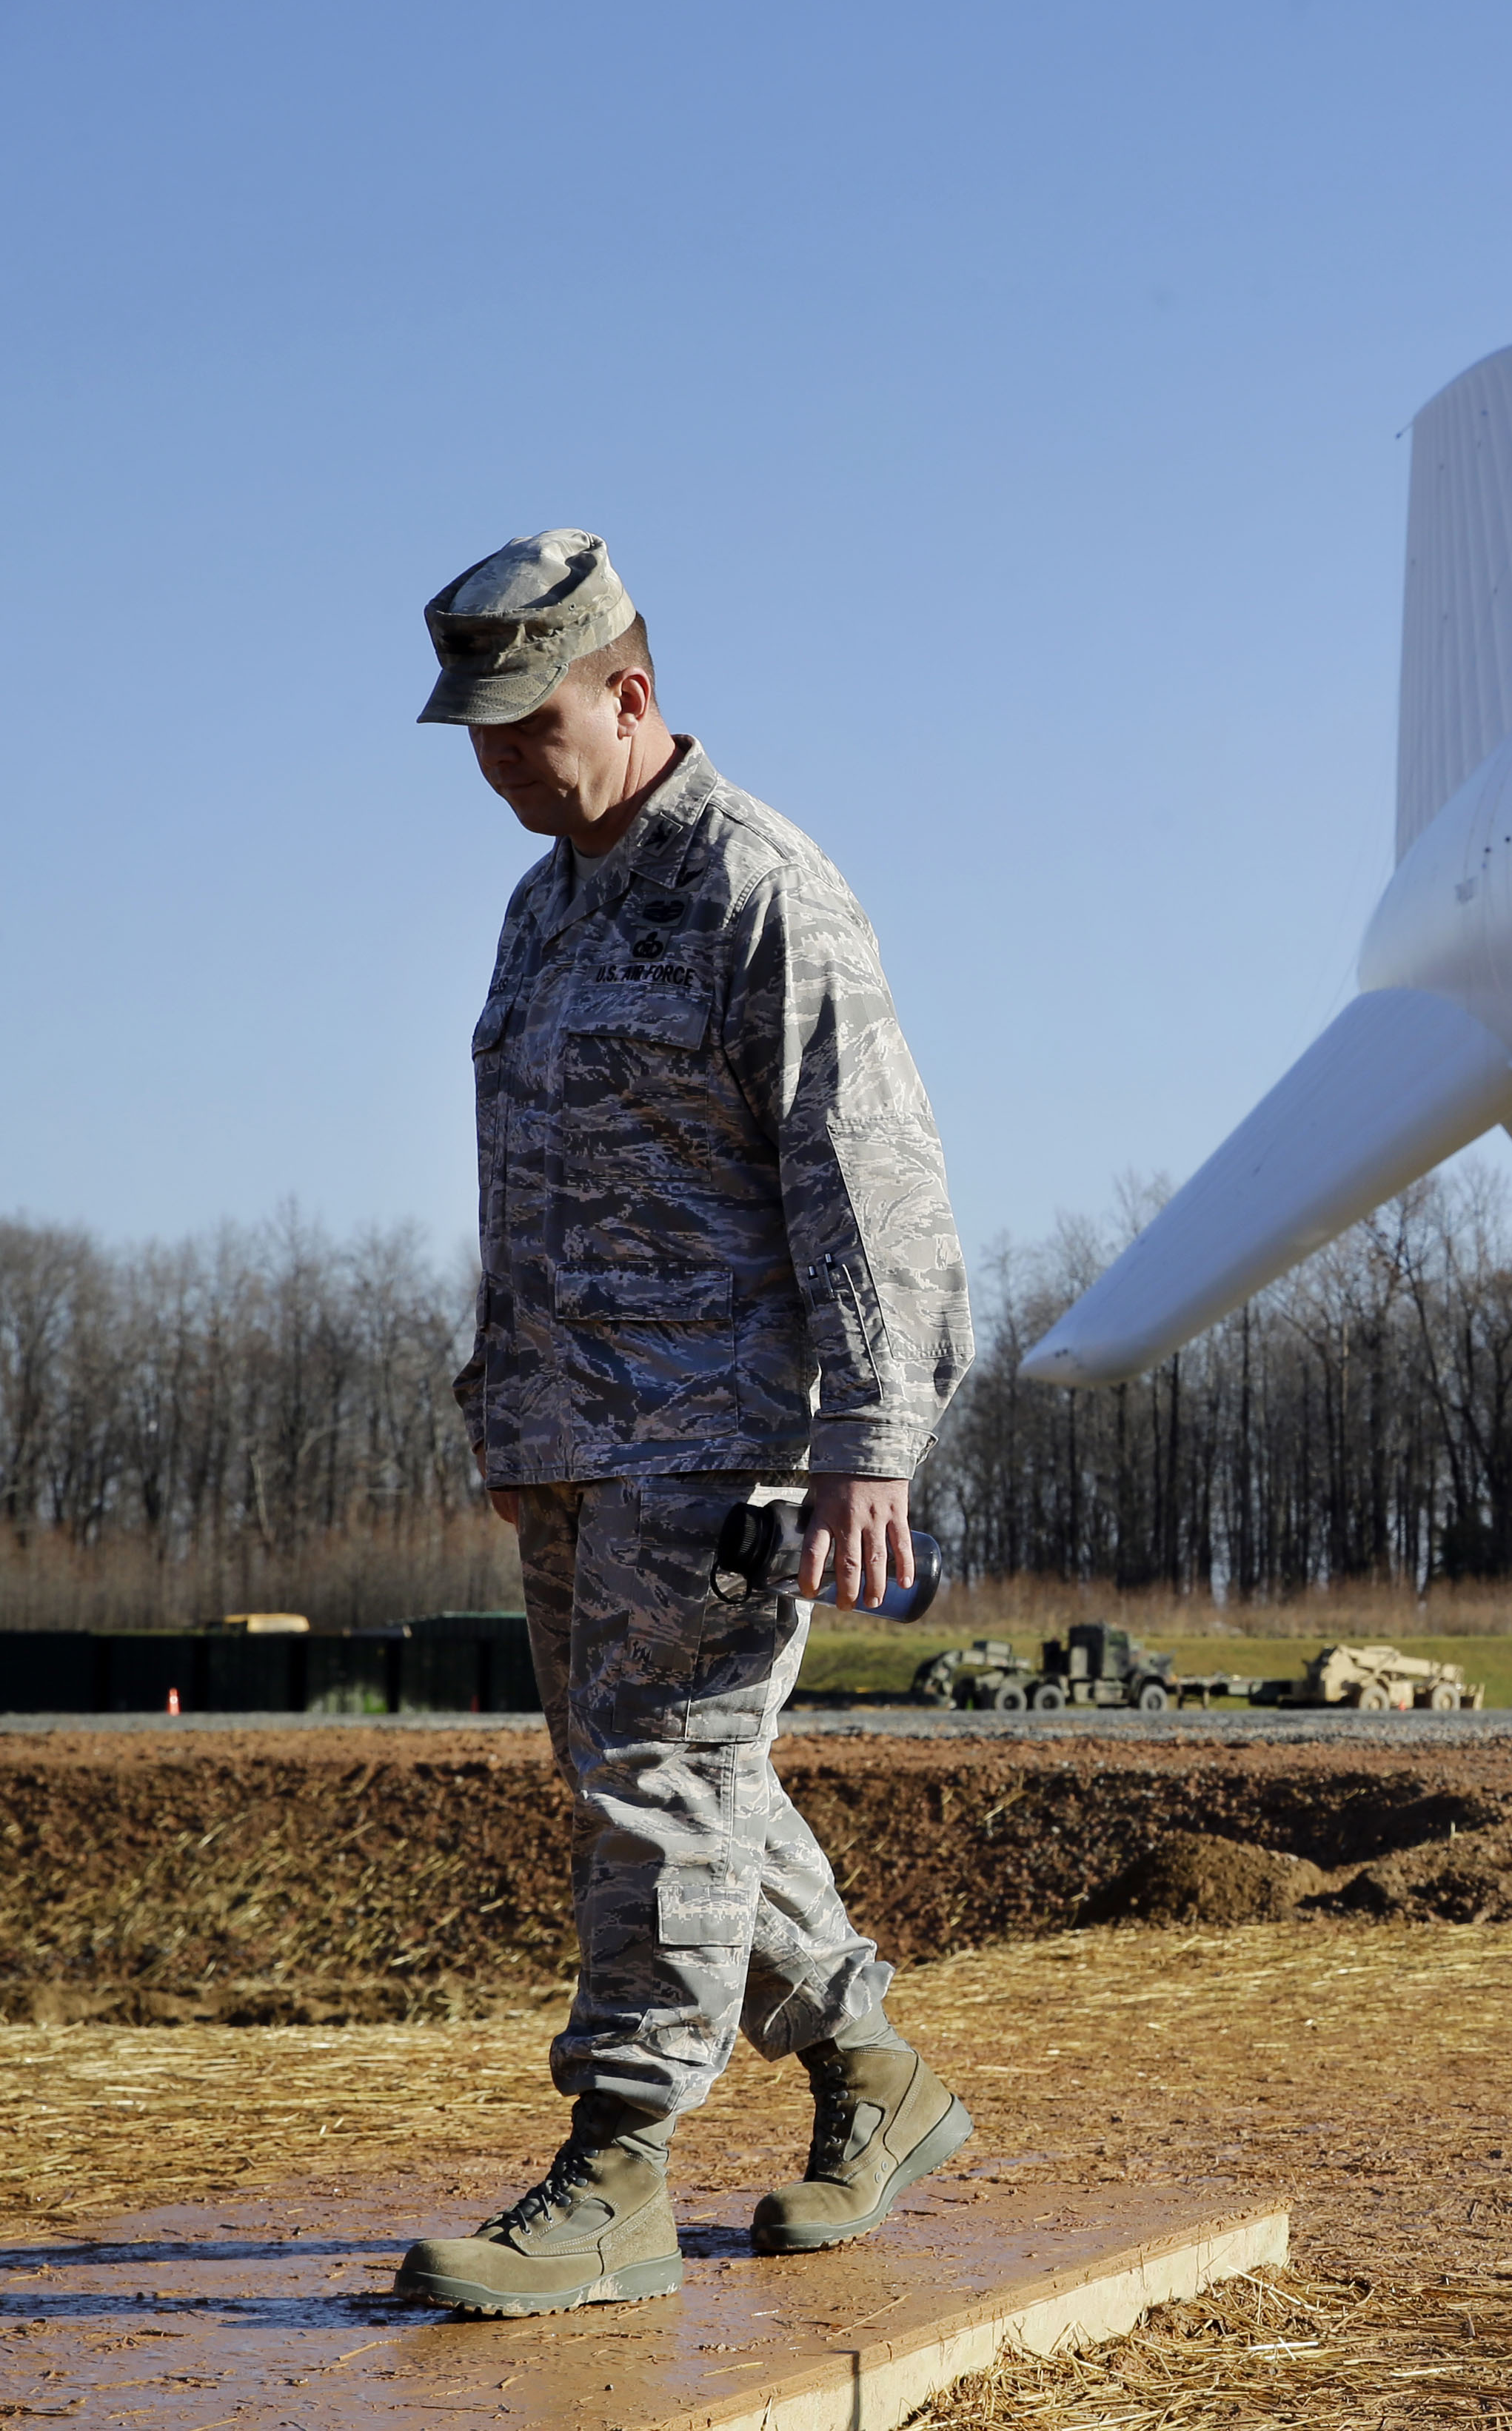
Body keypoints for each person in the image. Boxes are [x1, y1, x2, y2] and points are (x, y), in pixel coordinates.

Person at [394, 531, 978, 2317]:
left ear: (628, 691)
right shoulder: (546, 904)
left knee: (658, 1788)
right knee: (665, 1780)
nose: (499, 759)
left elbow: (871, 1178)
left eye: (529, 720)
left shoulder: (761, 887)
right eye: (476, 731)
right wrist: (512, 1404)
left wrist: (872, 1438)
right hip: (578, 1439)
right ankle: (877, 2070)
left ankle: (618, 2167)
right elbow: (528, 1181)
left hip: (724, 1445)